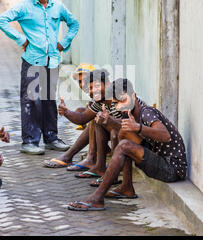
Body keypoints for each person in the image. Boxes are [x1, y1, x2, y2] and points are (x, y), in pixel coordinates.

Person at [0, 0, 79, 155]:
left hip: (52, 61)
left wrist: (64, 43)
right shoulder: (25, 7)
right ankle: (30, 141)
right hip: (33, 60)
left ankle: (51, 137)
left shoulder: (58, 7)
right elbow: (1, 20)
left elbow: (74, 24)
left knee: (49, 100)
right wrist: (21, 40)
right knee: (31, 100)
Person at [68, 79, 187, 211]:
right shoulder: (129, 113)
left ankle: (97, 198)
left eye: (123, 100)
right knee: (123, 133)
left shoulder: (146, 112)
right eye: (116, 103)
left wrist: (138, 127)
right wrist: (108, 120)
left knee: (125, 145)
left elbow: (165, 135)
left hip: (172, 168)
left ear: (134, 96)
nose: (120, 106)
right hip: (158, 158)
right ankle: (126, 187)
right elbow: (120, 127)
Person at [54, 69, 125, 181]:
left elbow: (128, 124)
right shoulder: (100, 101)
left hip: (134, 135)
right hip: (119, 133)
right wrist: (66, 112)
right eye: (91, 88)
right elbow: (83, 118)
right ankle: (99, 167)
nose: (93, 91)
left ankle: (112, 171)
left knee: (113, 129)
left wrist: (110, 121)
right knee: (97, 120)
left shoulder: (119, 96)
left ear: (107, 84)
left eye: (97, 86)